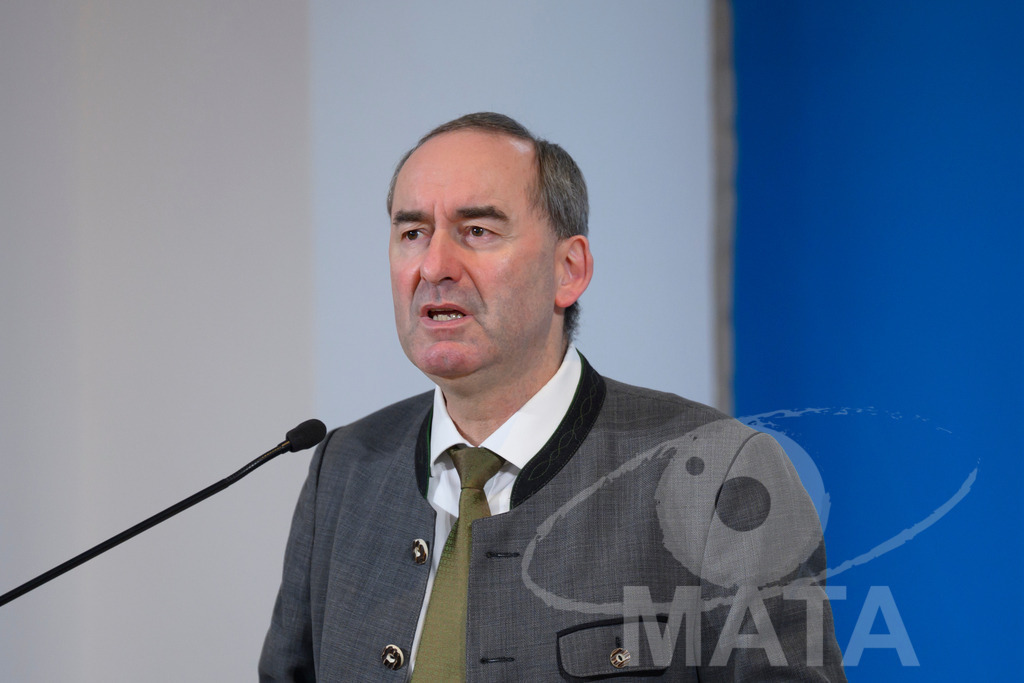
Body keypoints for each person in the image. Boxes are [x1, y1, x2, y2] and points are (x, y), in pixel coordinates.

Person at [259, 112, 846, 681]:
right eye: (413, 233)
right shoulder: (344, 469)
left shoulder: (721, 477)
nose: (435, 265)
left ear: (569, 270)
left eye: (477, 231)